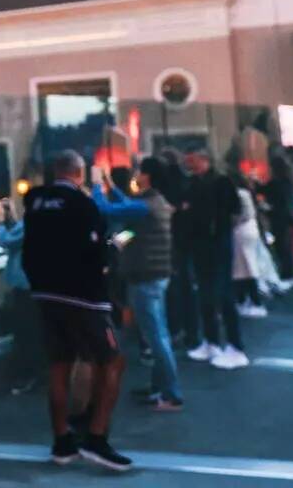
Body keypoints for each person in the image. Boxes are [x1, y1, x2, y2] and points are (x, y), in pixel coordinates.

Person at [23, 150, 132, 472]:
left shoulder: (35, 202)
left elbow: (30, 248)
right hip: (84, 298)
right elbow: (96, 252)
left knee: (58, 366)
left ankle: (62, 441)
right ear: (80, 173)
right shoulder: (84, 205)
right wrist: (112, 250)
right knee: (113, 361)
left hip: (46, 295)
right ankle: (96, 438)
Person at [91, 156, 183, 411]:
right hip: (155, 277)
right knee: (157, 334)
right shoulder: (156, 202)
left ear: (148, 176)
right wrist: (112, 186)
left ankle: (171, 394)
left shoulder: (146, 206)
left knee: (156, 338)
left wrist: (97, 186)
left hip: (145, 279)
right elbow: (127, 205)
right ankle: (159, 388)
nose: (136, 174)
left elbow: (105, 210)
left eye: (140, 171)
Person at [182, 147, 248, 369]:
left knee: (222, 292)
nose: (191, 165)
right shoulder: (195, 183)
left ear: (205, 160)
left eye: (194, 160)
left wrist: (219, 227)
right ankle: (211, 342)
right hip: (202, 243)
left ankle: (235, 344)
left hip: (216, 242)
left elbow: (236, 210)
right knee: (205, 293)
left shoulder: (220, 182)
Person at [0, 198, 41, 393]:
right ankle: (36, 373)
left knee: (25, 332)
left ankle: (27, 376)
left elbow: (6, 240)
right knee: (33, 330)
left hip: (25, 287)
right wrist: (12, 217)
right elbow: (18, 235)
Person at [160, 148, 198, 348]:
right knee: (187, 286)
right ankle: (192, 331)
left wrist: (114, 242)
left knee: (173, 289)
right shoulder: (187, 182)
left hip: (170, 243)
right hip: (187, 241)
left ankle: (176, 329)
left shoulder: (160, 191)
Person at [232, 173, 268, 318]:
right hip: (250, 230)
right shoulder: (246, 193)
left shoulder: (238, 195)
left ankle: (249, 300)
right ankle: (250, 299)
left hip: (241, 231)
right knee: (248, 265)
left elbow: (237, 215)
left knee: (242, 268)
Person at [262, 153, 293, 282]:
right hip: (287, 216)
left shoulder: (275, 183)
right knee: (286, 245)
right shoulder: (286, 181)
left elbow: (263, 190)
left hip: (278, 217)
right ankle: (289, 270)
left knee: (281, 246)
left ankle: (286, 271)